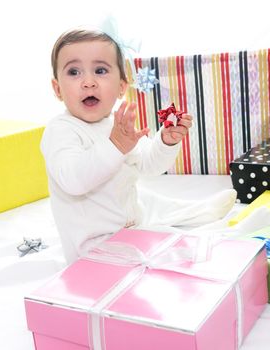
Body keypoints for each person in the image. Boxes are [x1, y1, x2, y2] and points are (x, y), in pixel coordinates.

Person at [42, 28, 236, 263]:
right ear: (57, 89)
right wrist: (114, 145)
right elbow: (74, 180)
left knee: (154, 204)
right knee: (175, 246)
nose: (88, 82)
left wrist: (166, 141)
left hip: (132, 225)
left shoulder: (117, 122)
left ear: (122, 87)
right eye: (74, 72)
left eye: (100, 70)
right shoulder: (61, 130)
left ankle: (198, 212)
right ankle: (219, 236)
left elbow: (148, 165)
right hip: (93, 248)